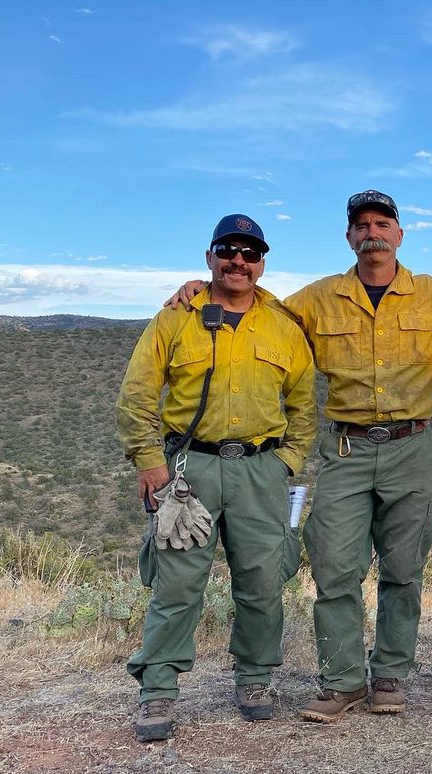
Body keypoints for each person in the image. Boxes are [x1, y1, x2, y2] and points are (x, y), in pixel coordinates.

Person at [169, 191, 432, 723]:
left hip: (413, 447)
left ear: (400, 234)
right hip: (346, 449)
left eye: (382, 223)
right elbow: (255, 307)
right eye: (361, 225)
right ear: (348, 237)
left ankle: (390, 673)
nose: (372, 232)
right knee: (334, 565)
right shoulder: (317, 299)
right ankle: (342, 680)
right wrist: (201, 287)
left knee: (403, 568)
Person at [117, 214, 316, 742]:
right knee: (177, 583)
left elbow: (303, 403)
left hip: (260, 470)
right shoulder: (175, 318)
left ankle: (255, 680)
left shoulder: (282, 326)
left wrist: (287, 461)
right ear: (210, 257)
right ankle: (158, 688)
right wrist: (149, 460)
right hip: (190, 468)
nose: (238, 261)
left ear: (262, 263)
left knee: (263, 581)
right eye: (228, 250)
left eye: (250, 253)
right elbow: (138, 393)